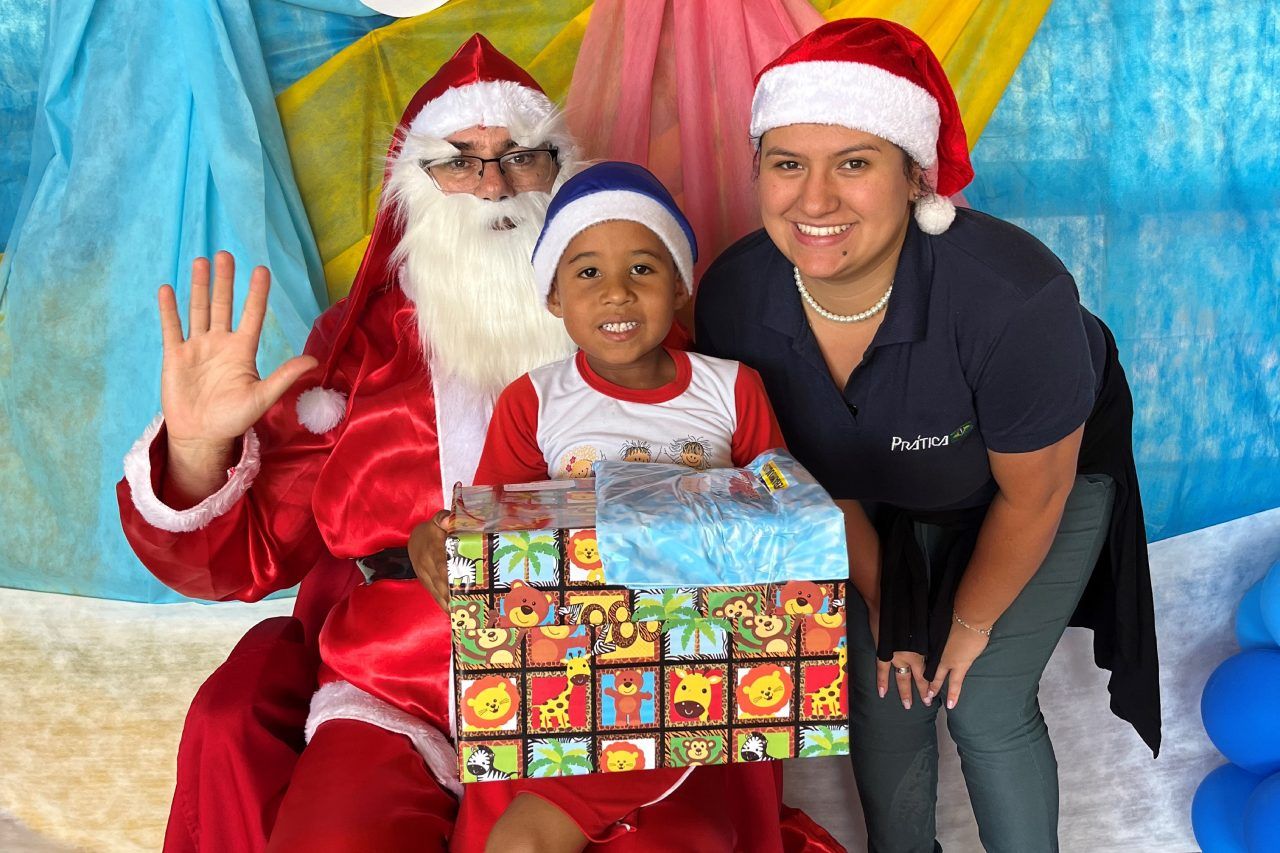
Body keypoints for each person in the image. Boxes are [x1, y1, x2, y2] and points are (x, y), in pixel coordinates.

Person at [694, 18, 1159, 853]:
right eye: (787, 163)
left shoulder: (1012, 297)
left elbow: (1035, 493)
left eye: (855, 164)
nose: (815, 200)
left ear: (914, 177)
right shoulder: (733, 298)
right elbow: (811, 479)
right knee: (885, 683)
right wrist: (889, 605)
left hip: (1036, 491)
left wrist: (966, 624)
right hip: (875, 501)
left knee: (980, 696)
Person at [117, 34, 587, 850]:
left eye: (520, 157)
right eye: (459, 162)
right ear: (416, 189)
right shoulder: (357, 347)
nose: (492, 187)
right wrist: (196, 450)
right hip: (390, 687)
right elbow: (253, 553)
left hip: (582, 682)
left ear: (561, 172)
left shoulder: (629, 322)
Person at [416, 160, 845, 852]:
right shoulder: (534, 399)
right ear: (553, 297)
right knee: (515, 841)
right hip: (585, 682)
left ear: (680, 285)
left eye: (643, 269)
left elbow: (785, 524)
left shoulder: (732, 388)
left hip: (708, 674)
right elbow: (501, 544)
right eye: (587, 273)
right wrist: (434, 543)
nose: (617, 292)